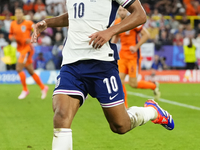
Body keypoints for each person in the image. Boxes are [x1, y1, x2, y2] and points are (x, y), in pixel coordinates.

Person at [31, 0, 175, 149]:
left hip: (101, 64)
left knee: (120, 125)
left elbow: (140, 14)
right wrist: (48, 23)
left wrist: (110, 31)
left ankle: (152, 111)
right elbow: (75, 16)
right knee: (61, 116)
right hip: (71, 63)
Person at [112, 6, 160, 108]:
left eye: (123, 10)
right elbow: (115, 38)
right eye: (120, 10)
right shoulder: (117, 23)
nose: (121, 12)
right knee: (119, 81)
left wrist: (136, 47)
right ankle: (124, 106)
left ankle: (153, 85)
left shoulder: (133, 22)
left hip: (133, 57)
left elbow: (146, 35)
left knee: (133, 84)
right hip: (123, 56)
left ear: (127, 10)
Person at [9, 8, 48, 99]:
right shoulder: (12, 24)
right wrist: (11, 38)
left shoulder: (28, 23)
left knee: (18, 68)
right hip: (20, 49)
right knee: (30, 71)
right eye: (16, 13)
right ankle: (43, 87)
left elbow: (37, 30)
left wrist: (31, 38)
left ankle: (25, 90)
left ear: (23, 14)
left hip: (27, 49)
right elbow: (10, 34)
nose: (18, 15)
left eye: (19, 13)